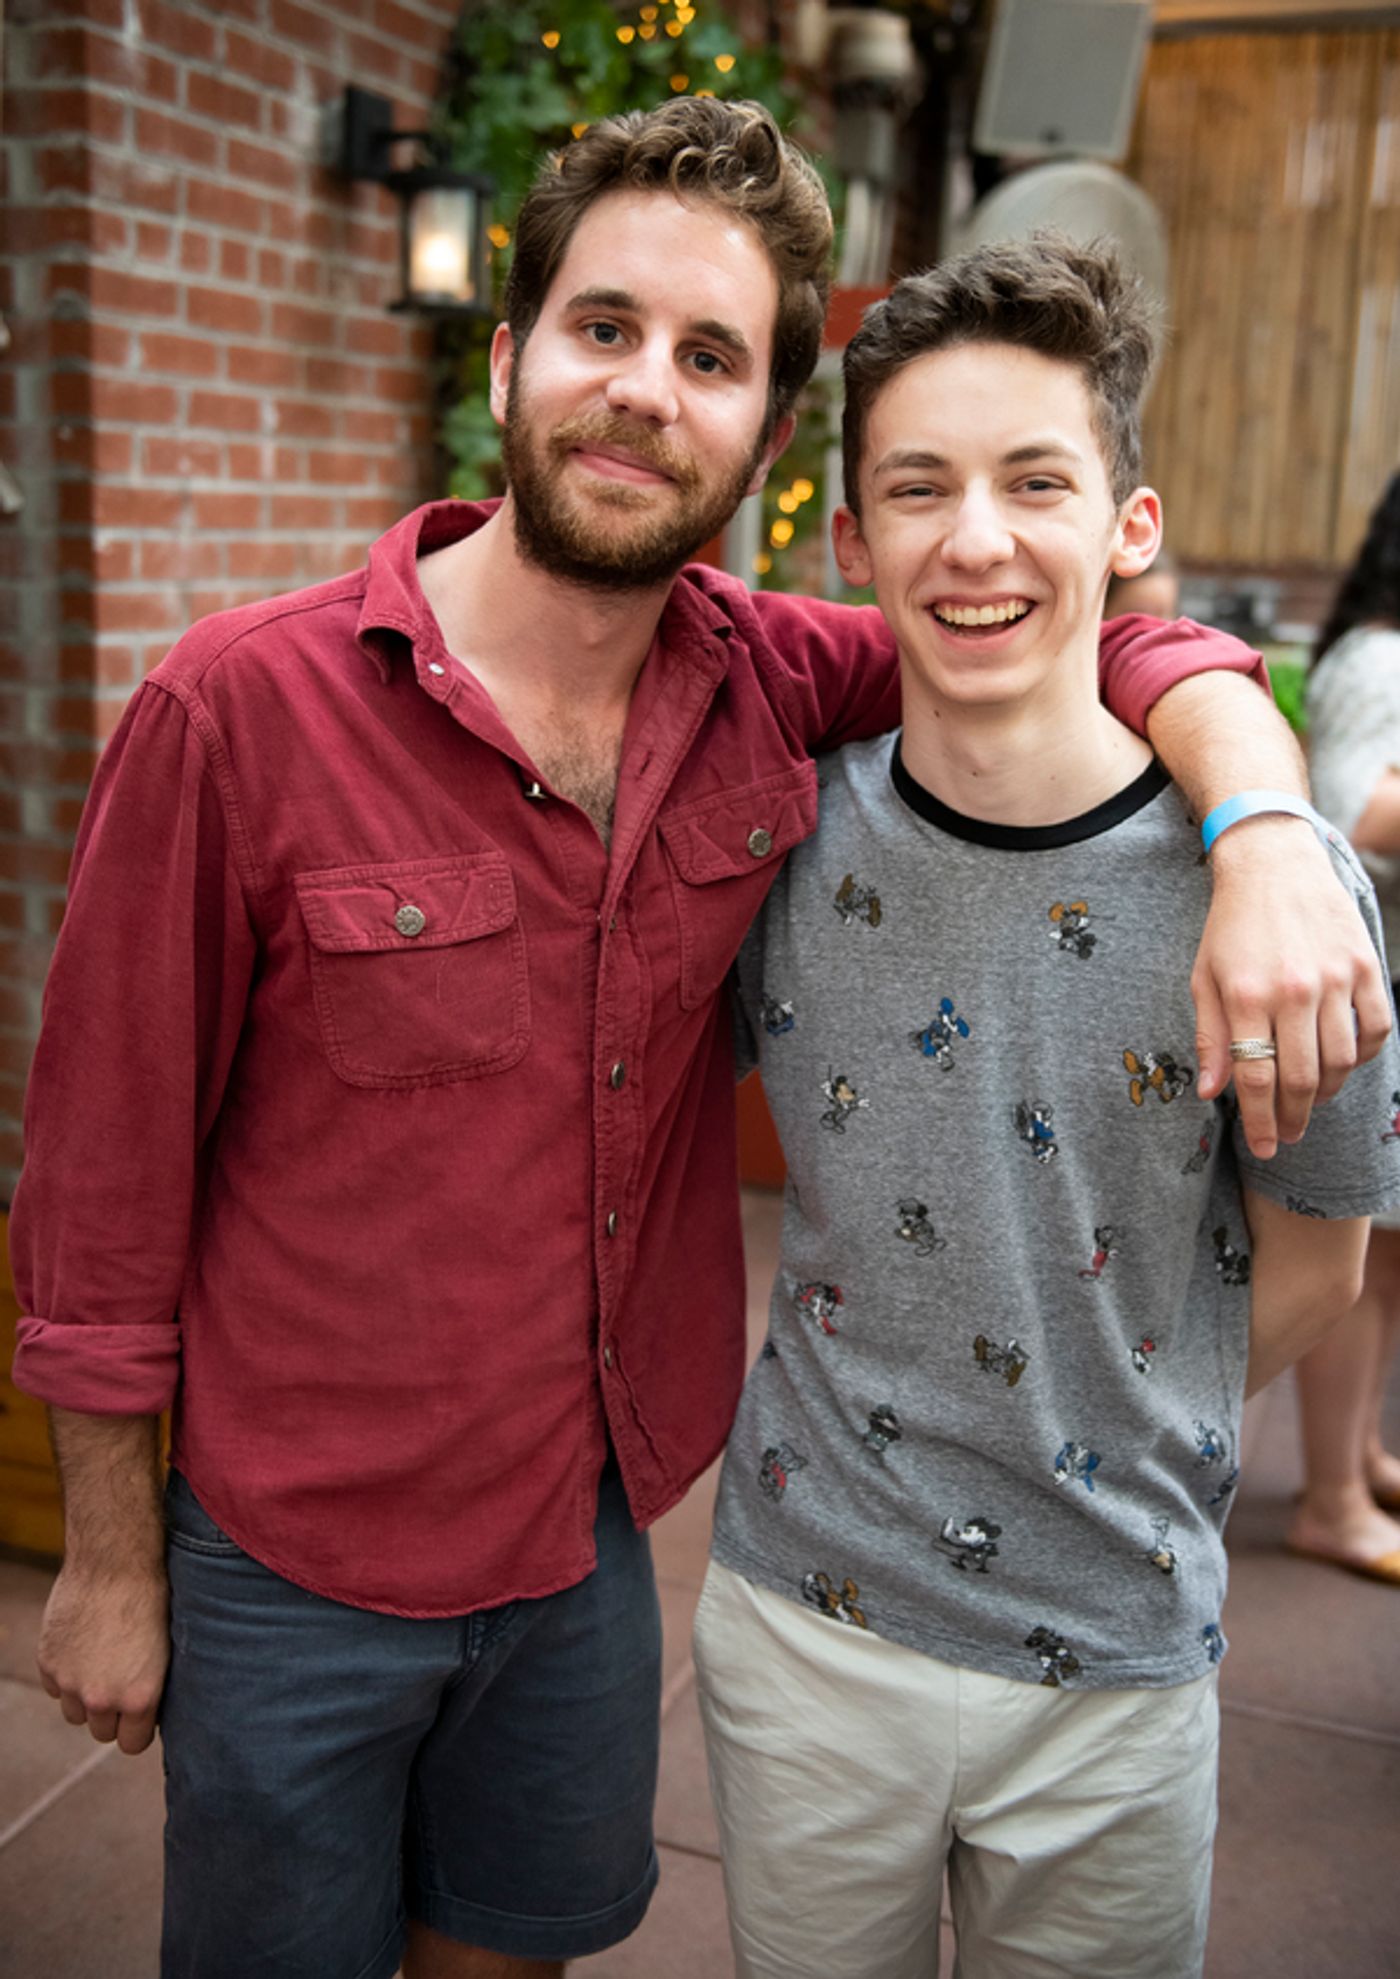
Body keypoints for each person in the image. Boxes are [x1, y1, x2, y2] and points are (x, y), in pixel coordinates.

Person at [6, 101, 1388, 1979]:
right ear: (510, 359)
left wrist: (1265, 829)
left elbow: (1077, 630)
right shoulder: (234, 710)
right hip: (291, 1554)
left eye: (712, 357)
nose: (646, 390)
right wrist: (104, 1556)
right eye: (605, 329)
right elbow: (97, 1182)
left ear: (761, 434)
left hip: (587, 1538)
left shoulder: (774, 678)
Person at [692, 237, 1400, 1979]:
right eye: (919, 488)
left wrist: (1093, 1410)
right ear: (853, 546)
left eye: (1035, 481)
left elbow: (1320, 1270)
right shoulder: (774, 845)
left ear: (1128, 528)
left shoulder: (1280, 902)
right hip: (806, 1622)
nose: (978, 538)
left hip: (1120, 1647)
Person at [1290, 470, 1400, 1585]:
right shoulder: (1378, 655)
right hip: (1378, 987)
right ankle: (1326, 1492)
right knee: (1350, 1255)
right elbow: (1346, 803)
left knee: (1386, 1259)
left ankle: (1356, 1453)